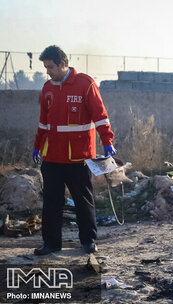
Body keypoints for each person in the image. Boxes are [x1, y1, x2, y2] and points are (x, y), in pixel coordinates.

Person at [32, 45, 117, 255]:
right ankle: (51, 244)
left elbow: (100, 116)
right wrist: (37, 146)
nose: (48, 71)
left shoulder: (85, 84)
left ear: (62, 64)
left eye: (50, 67)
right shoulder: (47, 88)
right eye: (45, 67)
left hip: (78, 157)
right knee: (52, 202)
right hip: (51, 157)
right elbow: (43, 122)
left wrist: (107, 141)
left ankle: (88, 241)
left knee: (83, 201)